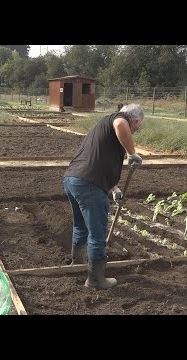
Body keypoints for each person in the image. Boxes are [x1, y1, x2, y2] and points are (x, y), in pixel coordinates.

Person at [63, 104, 145, 289]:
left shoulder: (104, 129)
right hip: (88, 185)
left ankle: (77, 264)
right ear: (135, 122)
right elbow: (121, 124)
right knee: (98, 235)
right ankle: (96, 279)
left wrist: (113, 189)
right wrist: (132, 153)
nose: (135, 132)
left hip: (73, 179)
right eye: (137, 128)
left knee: (80, 226)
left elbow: (98, 163)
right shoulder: (119, 120)